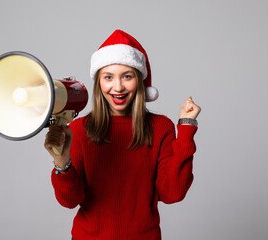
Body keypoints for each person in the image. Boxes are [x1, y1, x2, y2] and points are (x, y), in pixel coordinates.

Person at [44, 29, 201, 240]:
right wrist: (62, 161)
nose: (118, 87)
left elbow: (172, 193)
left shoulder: (160, 127)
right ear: (99, 82)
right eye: (108, 77)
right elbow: (70, 200)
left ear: (139, 81)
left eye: (127, 76)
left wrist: (186, 127)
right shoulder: (80, 129)